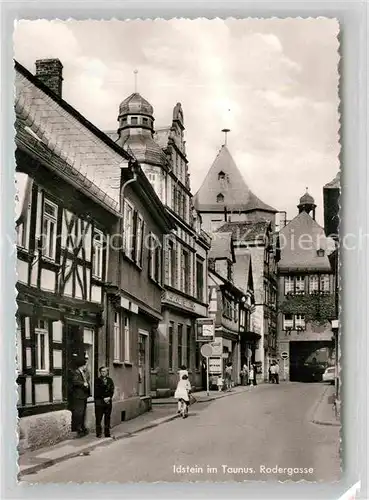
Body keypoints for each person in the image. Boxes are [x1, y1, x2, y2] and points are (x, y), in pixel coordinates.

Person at [69, 357, 91, 437]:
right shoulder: (76, 372)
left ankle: (82, 427)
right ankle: (78, 429)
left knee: (82, 412)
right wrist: (83, 383)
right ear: (82, 365)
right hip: (78, 396)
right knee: (79, 412)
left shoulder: (82, 372)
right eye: (85, 365)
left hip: (83, 395)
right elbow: (74, 381)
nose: (86, 366)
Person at [94, 366, 115, 438]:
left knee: (107, 417)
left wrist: (109, 397)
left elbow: (112, 390)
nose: (103, 373)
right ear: (100, 372)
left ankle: (107, 432)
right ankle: (98, 433)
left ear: (107, 372)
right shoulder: (97, 380)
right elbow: (97, 391)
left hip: (108, 402)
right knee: (98, 418)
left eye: (105, 371)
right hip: (99, 402)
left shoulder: (110, 380)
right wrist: (104, 398)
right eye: (102, 371)